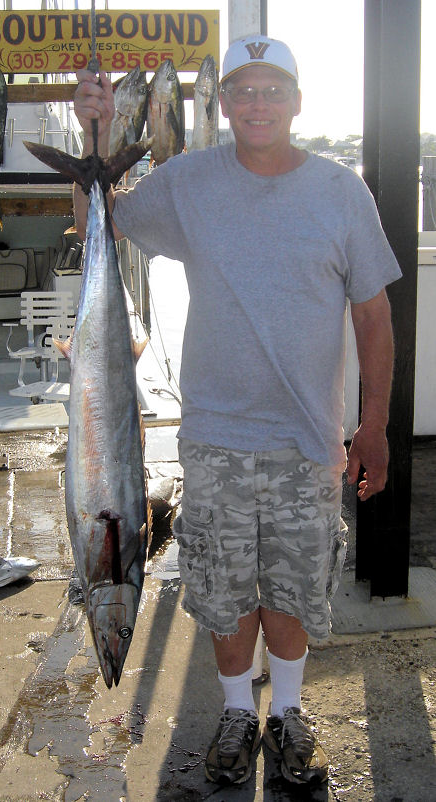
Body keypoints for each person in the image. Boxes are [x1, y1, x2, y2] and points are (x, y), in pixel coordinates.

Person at [73, 34, 401, 788]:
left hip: (309, 440)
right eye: (244, 91)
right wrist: (91, 129)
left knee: (292, 588)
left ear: (296, 101)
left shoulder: (341, 191)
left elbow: (375, 316)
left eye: (273, 90)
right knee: (224, 592)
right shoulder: (189, 182)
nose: (258, 104)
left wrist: (374, 423)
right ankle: (234, 712)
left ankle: (286, 714)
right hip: (215, 440)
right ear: (224, 104)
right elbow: (105, 215)